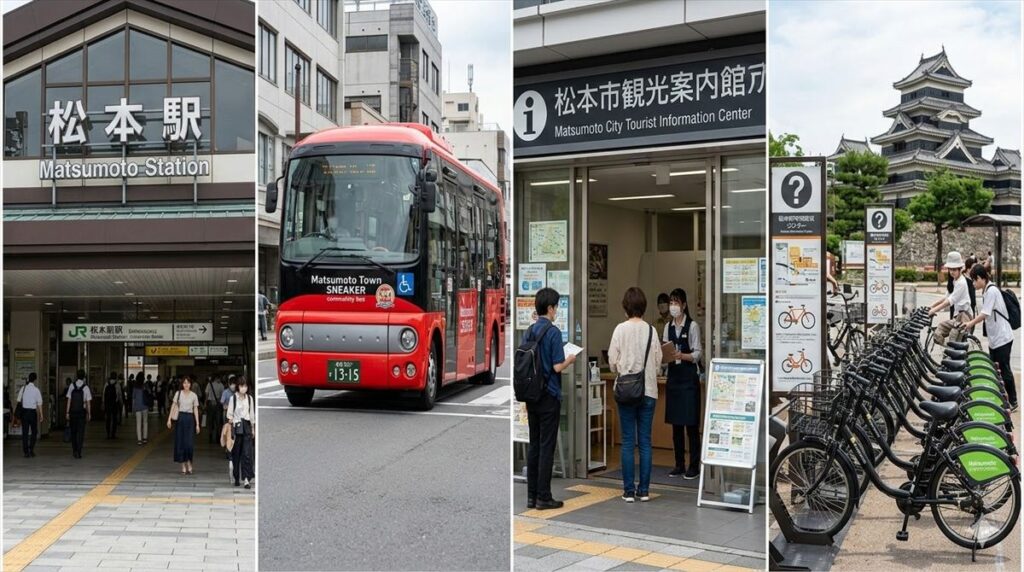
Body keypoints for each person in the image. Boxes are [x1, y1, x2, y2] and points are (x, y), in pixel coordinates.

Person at [608, 287, 662, 502]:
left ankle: (629, 491)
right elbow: (658, 363)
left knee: (628, 441)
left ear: (625, 307)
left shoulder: (620, 330)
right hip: (648, 390)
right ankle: (645, 491)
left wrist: (623, 366)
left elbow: (612, 362)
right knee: (646, 442)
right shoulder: (651, 330)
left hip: (626, 391)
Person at [524, 288, 576, 510]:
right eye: (556, 306)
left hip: (531, 395)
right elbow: (556, 366)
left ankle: (531, 495)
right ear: (550, 308)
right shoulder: (553, 333)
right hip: (549, 395)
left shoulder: (530, 330)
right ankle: (544, 497)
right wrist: (570, 359)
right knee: (547, 445)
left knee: (534, 444)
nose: (557, 310)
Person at [963, 264, 1018, 411]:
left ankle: (1013, 401)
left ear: (981, 278)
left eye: (974, 281)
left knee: (1004, 369)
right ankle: (1001, 399)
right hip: (996, 339)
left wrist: (970, 323)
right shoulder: (986, 291)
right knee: (995, 370)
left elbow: (985, 313)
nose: (973, 284)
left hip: (1003, 337)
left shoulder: (992, 291)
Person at [662, 288, 702, 479]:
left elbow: (697, 354)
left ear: (684, 305)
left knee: (691, 425)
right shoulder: (667, 326)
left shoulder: (692, 326)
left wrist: (682, 355)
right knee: (676, 425)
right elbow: (663, 349)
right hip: (674, 380)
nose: (673, 307)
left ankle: (694, 465)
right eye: (671, 303)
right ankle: (679, 464)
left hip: (688, 380)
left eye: (676, 303)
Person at [928, 251, 973, 346]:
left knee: (953, 337)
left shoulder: (961, 282)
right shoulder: (954, 281)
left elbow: (949, 301)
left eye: (954, 269)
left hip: (964, 317)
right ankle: (948, 350)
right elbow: (946, 297)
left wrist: (933, 310)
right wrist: (930, 307)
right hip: (957, 318)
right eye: (950, 269)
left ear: (960, 269)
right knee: (938, 330)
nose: (951, 272)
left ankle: (953, 354)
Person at [167, 376, 201, 475]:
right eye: (184, 383)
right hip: (180, 419)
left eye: (188, 383)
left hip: (190, 419)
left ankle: (189, 462)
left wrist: (197, 424)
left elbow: (195, 409)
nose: (186, 385)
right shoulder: (178, 394)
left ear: (191, 384)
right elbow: (173, 406)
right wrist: (169, 419)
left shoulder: (194, 395)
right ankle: (183, 465)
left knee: (189, 444)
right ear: (182, 384)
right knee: (180, 443)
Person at [227, 376, 256, 488]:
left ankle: (246, 480)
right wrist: (232, 420)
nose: (244, 388)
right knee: (236, 454)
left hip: (247, 426)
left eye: (245, 386)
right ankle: (236, 477)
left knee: (247, 454)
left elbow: (252, 415)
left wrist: (253, 428)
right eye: (241, 386)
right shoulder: (233, 398)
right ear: (238, 387)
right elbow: (229, 414)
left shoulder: (249, 398)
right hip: (236, 427)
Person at [66, 370, 91, 459]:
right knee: (80, 433)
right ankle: (79, 451)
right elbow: (88, 403)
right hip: (81, 413)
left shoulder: (72, 386)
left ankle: (74, 450)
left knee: (73, 432)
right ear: (84, 377)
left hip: (72, 412)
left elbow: (69, 400)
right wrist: (89, 413)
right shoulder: (86, 387)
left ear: (76, 376)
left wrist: (67, 412)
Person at [19, 373, 44, 458]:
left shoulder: (23, 388)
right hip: (33, 413)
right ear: (35, 380)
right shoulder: (36, 390)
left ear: (28, 379)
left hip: (24, 412)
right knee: (34, 432)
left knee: (25, 432)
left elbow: (19, 399)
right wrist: (41, 415)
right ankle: (31, 449)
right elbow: (39, 403)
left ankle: (26, 452)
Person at [206, 375, 225, 444]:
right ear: (217, 378)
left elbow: (206, 394)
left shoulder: (209, 384)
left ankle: (210, 437)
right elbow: (222, 396)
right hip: (218, 405)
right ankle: (217, 437)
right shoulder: (221, 385)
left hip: (211, 404)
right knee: (218, 422)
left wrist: (206, 403)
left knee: (210, 421)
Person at [132, 376, 149, 445]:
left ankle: (139, 440)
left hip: (137, 406)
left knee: (138, 423)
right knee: (145, 422)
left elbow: (133, 397)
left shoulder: (135, 387)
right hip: (145, 406)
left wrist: (133, 407)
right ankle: (145, 438)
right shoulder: (145, 386)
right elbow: (149, 393)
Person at [103, 373, 121, 439]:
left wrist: (103, 403)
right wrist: (121, 403)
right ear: (115, 377)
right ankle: (113, 434)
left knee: (108, 419)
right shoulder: (117, 384)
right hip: (114, 404)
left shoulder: (106, 384)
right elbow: (119, 395)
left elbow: (104, 394)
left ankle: (108, 433)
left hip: (107, 404)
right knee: (114, 419)